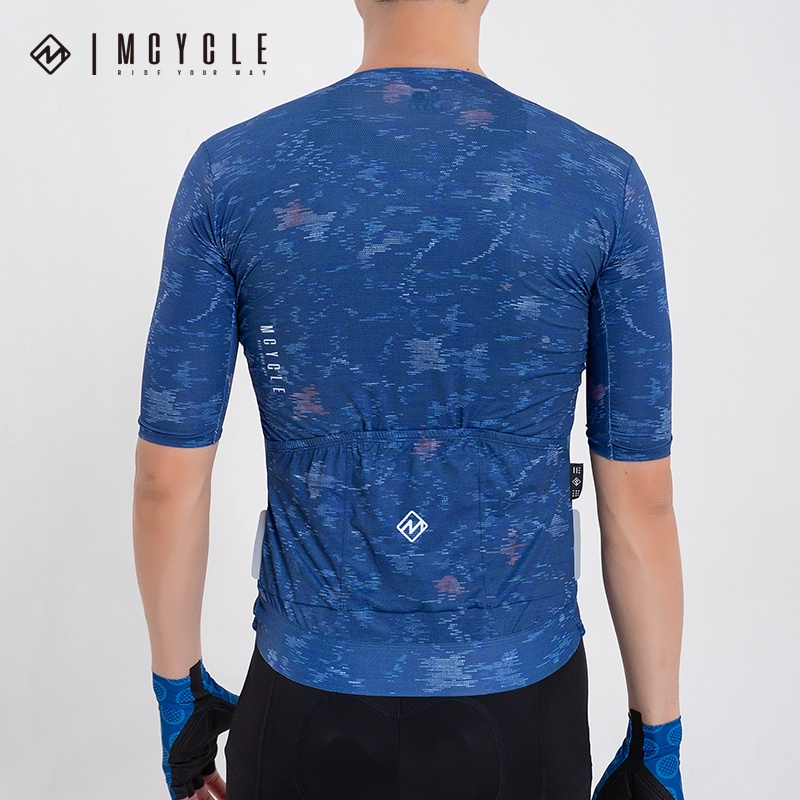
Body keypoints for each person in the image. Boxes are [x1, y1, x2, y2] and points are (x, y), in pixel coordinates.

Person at [133, 1, 685, 798]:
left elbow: (167, 482)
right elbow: (642, 502)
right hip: (522, 708)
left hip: (305, 698)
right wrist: (657, 746)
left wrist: (178, 701)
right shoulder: (599, 182)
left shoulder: (233, 173)